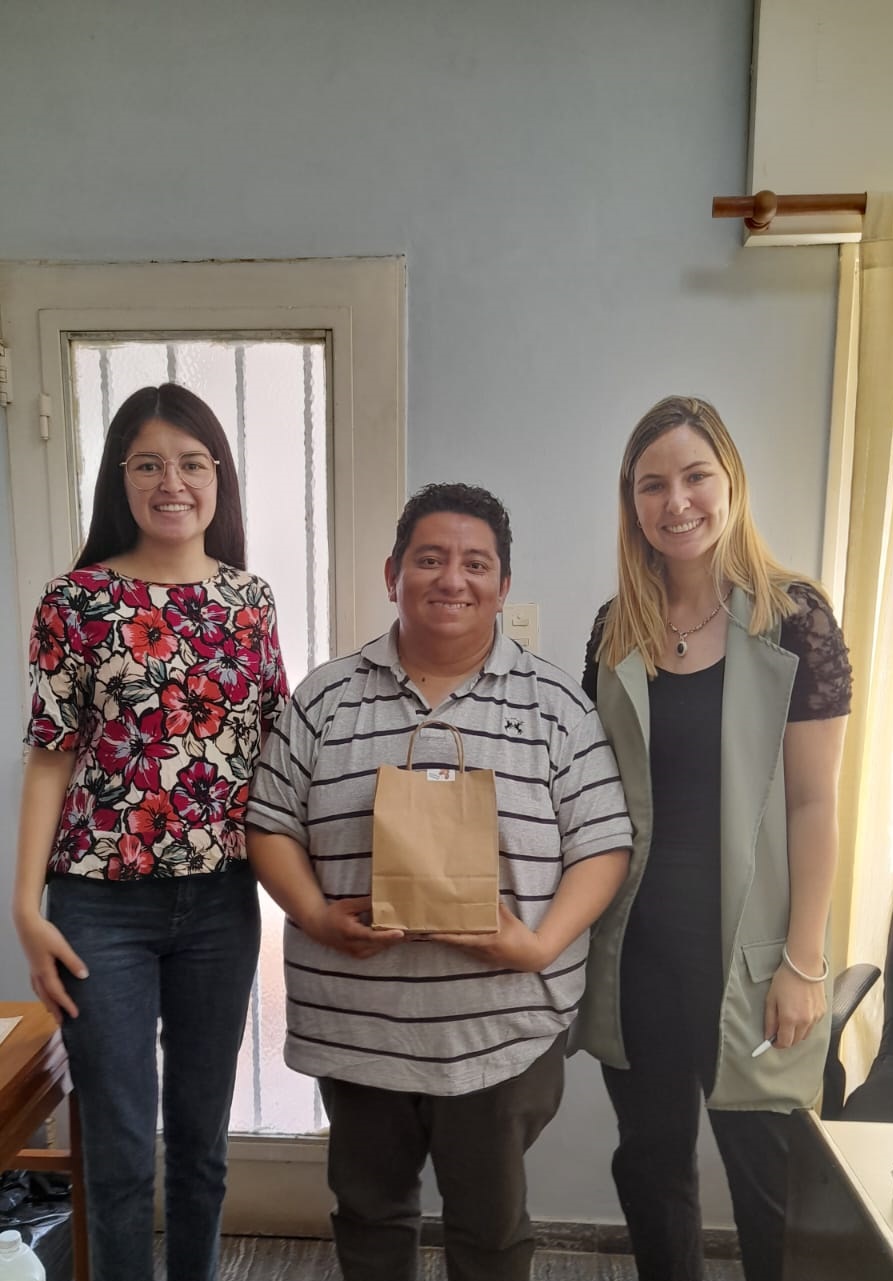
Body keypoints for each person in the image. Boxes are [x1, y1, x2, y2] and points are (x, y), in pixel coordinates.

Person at [246, 481, 632, 1281]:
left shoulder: (556, 706)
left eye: (475, 563)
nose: (451, 579)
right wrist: (313, 913)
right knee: (369, 1217)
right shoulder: (324, 697)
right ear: (393, 574)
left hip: (499, 1032)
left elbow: (603, 844)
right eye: (429, 559)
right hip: (359, 1029)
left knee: (490, 1231)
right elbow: (268, 821)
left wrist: (539, 946)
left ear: (502, 585)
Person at [12, 383, 289, 1281]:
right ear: (119, 478)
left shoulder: (248, 600)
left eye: (192, 463)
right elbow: (50, 755)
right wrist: (27, 909)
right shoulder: (76, 600)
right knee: (120, 1149)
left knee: (202, 1147)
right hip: (99, 910)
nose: (172, 482)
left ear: (219, 477)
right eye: (148, 464)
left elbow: (273, 751)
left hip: (220, 903)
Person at [574, 396, 852, 1281]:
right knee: (650, 1166)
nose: (676, 501)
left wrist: (803, 961)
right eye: (651, 484)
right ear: (630, 502)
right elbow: (592, 797)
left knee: (769, 1184)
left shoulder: (794, 619)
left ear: (729, 482)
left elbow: (813, 804)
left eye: (695, 476)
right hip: (639, 953)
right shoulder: (615, 629)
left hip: (756, 959)